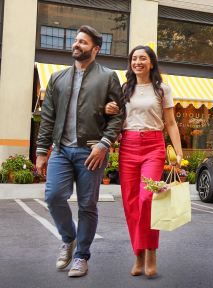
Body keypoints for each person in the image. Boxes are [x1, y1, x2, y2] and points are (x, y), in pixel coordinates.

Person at [36, 25, 125, 277]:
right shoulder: (57, 78)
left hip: (91, 151)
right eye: (76, 40)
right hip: (62, 150)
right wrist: (42, 151)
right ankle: (68, 238)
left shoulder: (108, 77)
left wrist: (104, 143)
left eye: (83, 42)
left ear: (95, 49)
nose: (76, 45)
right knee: (53, 196)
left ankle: (82, 256)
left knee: (87, 204)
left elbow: (119, 115)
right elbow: (48, 117)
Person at [105, 45, 183, 278]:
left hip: (153, 146)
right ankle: (138, 254)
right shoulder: (124, 88)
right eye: (134, 58)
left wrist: (179, 153)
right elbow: (116, 117)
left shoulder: (162, 89)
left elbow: (170, 123)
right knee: (130, 204)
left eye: (142, 58)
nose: (137, 62)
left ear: (151, 63)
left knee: (147, 199)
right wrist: (108, 109)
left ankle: (151, 252)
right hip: (128, 146)